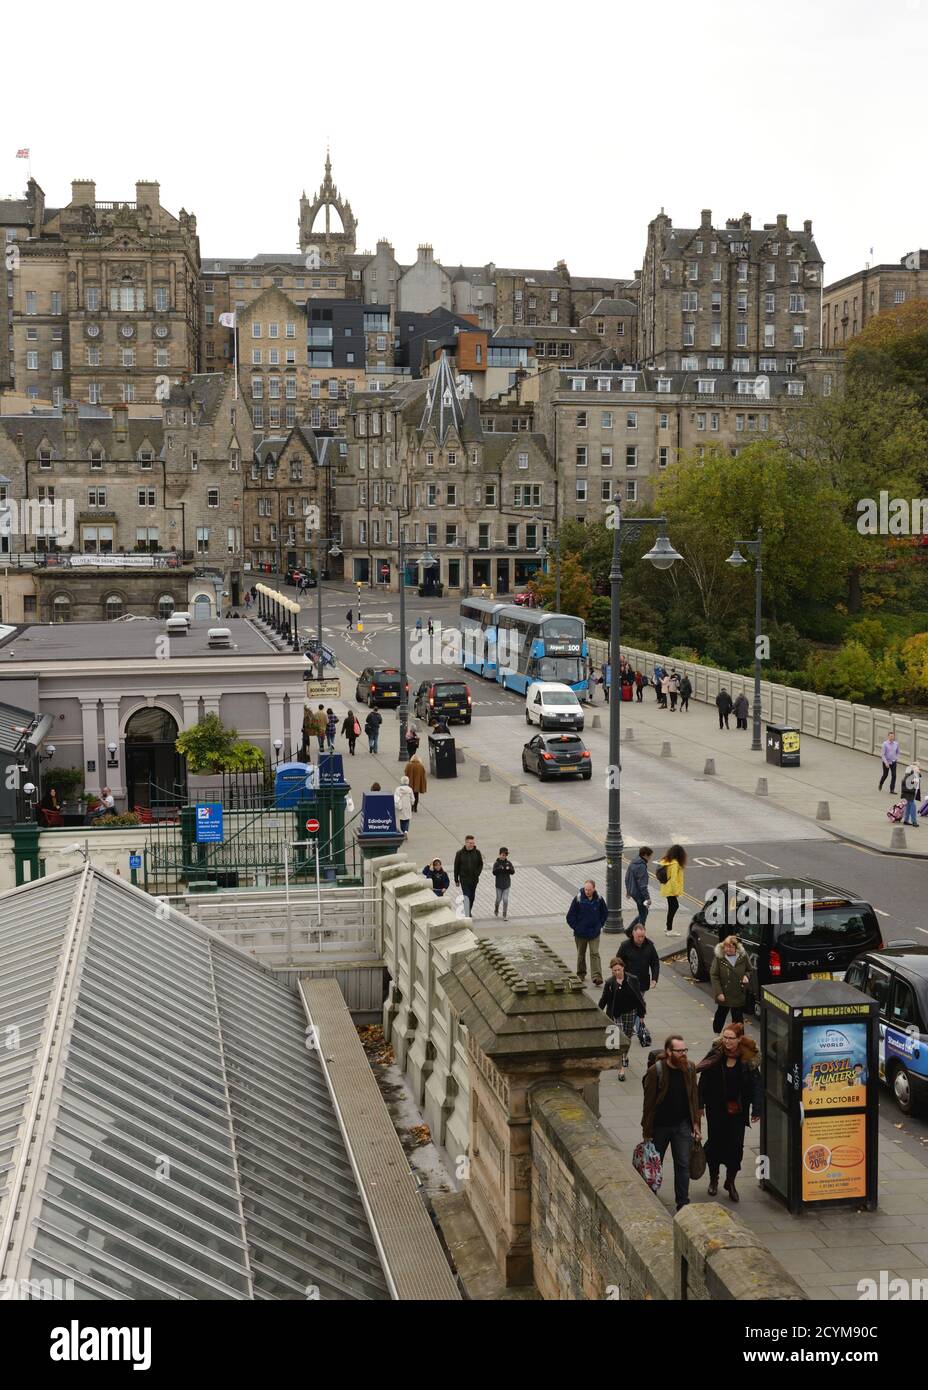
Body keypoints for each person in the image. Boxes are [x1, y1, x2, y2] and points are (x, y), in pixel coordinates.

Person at [697, 1023, 761, 1202]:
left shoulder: (747, 1058)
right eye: (725, 1037)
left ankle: (730, 1181)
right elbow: (704, 1080)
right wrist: (699, 1104)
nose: (726, 1041)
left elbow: (757, 1085)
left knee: (735, 1147)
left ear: (739, 1039)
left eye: (731, 1038)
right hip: (715, 1109)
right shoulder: (716, 1054)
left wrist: (756, 1108)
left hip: (737, 1112)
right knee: (715, 1144)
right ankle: (713, 1180)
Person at [641, 1035, 702, 1212]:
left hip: (683, 1125)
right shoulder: (656, 1071)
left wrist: (696, 1124)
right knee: (654, 1163)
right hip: (659, 1127)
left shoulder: (689, 1068)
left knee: (683, 1164)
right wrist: (647, 1131)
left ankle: (683, 1203)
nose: (683, 1054)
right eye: (679, 1051)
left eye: (685, 1050)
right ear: (669, 1052)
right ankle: (651, 1196)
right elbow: (649, 1102)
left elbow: (694, 1097)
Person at [599, 955, 646, 1082]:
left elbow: (639, 999)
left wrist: (641, 1015)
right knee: (618, 1040)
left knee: (628, 1037)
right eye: (614, 970)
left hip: (630, 1012)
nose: (617, 972)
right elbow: (604, 1000)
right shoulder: (610, 983)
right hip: (616, 1014)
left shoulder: (633, 979)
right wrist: (598, 1012)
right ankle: (621, 1069)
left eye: (619, 969)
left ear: (623, 968)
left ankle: (624, 1056)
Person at [619, 924, 660, 1046]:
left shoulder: (650, 945)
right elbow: (618, 962)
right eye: (638, 937)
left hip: (642, 982)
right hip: (628, 982)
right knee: (635, 1005)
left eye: (642, 936)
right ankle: (636, 1027)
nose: (641, 939)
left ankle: (637, 1027)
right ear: (633, 934)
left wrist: (654, 979)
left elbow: (655, 963)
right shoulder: (625, 946)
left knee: (637, 1005)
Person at [566, 879, 608, 986]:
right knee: (581, 954)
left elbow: (604, 913)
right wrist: (576, 927)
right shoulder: (578, 899)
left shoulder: (599, 899)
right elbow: (570, 916)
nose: (587, 891)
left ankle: (597, 976)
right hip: (581, 933)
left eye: (589, 890)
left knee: (594, 953)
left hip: (594, 932)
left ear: (594, 889)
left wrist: (600, 925)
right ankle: (581, 973)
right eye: (586, 889)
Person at [709, 934, 752, 1034]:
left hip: (738, 992)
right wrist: (719, 993)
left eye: (730, 947)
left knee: (738, 1016)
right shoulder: (719, 958)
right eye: (726, 946)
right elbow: (714, 975)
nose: (727, 949)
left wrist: (746, 976)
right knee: (721, 1013)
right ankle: (717, 1034)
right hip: (724, 993)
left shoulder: (743, 957)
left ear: (736, 948)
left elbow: (749, 970)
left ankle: (738, 1036)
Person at [657, 844, 686, 934]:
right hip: (671, 890)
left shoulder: (666, 861)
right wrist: (676, 892)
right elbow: (673, 879)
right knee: (674, 906)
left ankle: (668, 927)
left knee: (672, 907)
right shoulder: (675, 864)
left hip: (666, 888)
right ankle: (669, 929)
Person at [453, 835, 484, 916]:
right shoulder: (459, 853)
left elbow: (481, 864)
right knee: (467, 896)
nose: (472, 845)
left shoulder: (477, 852)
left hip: (474, 879)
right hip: (464, 880)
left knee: (472, 897)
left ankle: (468, 910)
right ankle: (467, 913)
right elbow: (456, 867)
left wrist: (477, 873)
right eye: (470, 843)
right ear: (466, 843)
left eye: (473, 843)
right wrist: (456, 880)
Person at [624, 845, 653, 928]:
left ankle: (630, 929)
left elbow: (627, 878)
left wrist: (628, 891)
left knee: (643, 912)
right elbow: (643, 885)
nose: (650, 858)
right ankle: (637, 931)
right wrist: (647, 898)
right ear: (645, 855)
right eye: (649, 856)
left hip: (633, 892)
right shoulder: (641, 866)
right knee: (643, 914)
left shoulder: (633, 862)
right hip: (640, 894)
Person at [491, 847, 515, 919]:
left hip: (506, 885)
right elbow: (494, 872)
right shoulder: (497, 863)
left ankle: (504, 914)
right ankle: (496, 909)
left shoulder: (508, 863)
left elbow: (513, 872)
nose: (504, 856)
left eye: (505, 855)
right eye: (503, 855)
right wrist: (499, 868)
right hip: (498, 885)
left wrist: (509, 869)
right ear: (500, 854)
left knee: (505, 899)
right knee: (498, 899)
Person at [900, 763, 921, 828]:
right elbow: (906, 784)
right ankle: (914, 821)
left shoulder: (915, 774)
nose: (919, 768)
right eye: (918, 767)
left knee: (908, 806)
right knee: (913, 806)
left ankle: (906, 820)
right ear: (914, 768)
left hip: (911, 793)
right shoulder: (910, 775)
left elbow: (919, 777)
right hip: (910, 793)